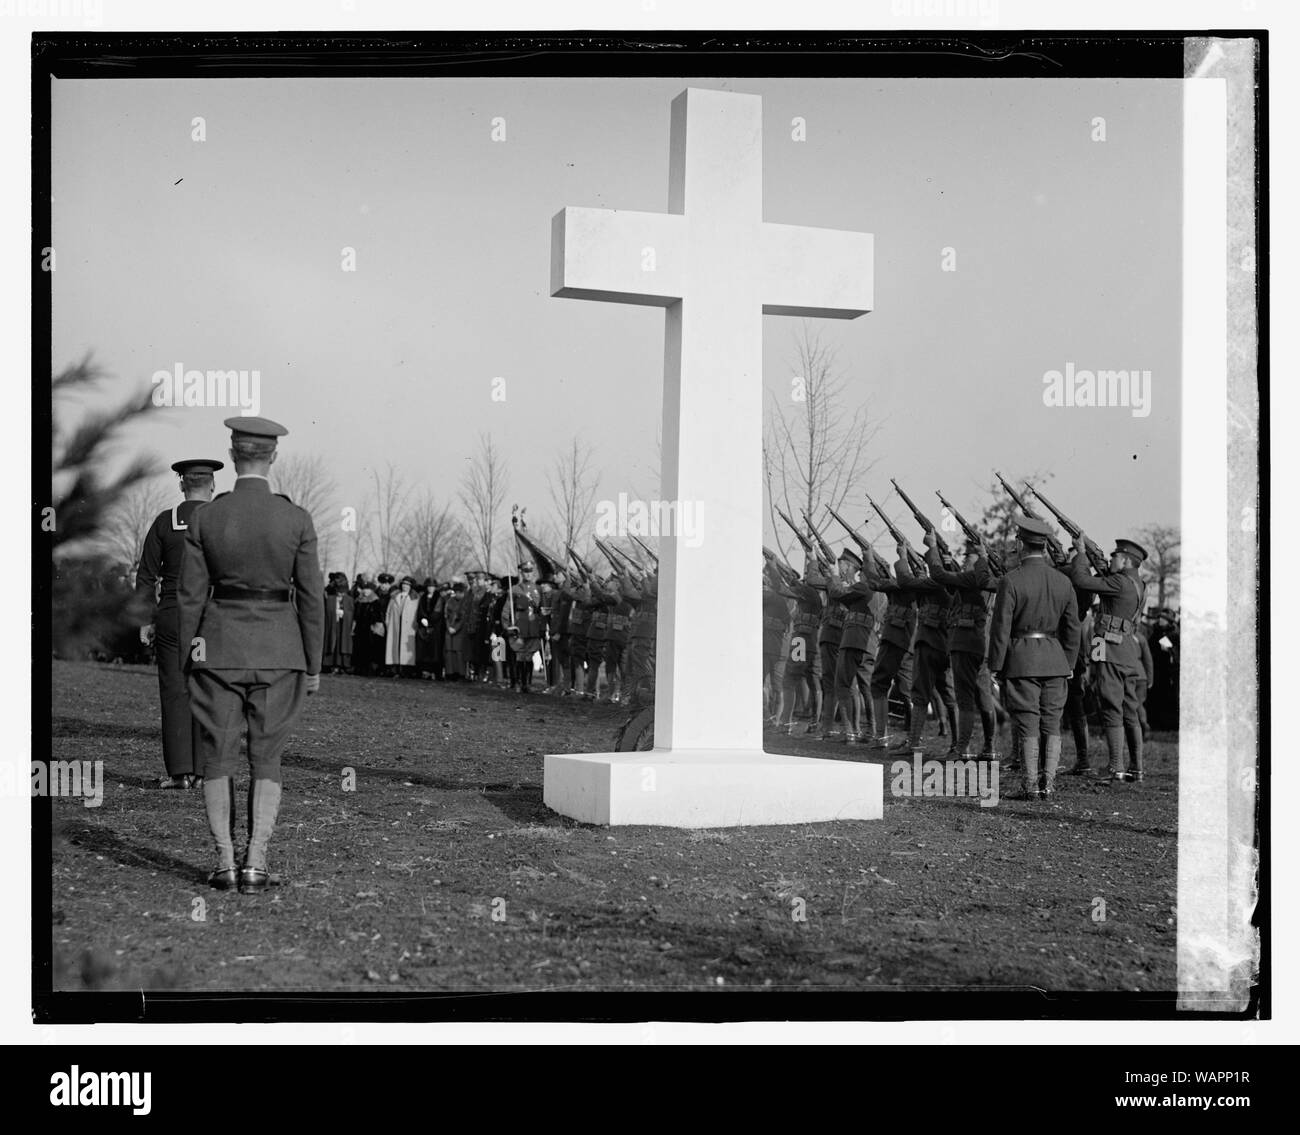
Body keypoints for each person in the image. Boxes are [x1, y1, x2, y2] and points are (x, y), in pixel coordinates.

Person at [177, 416, 323, 892]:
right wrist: (314, 663)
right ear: (273, 456)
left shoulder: (207, 516)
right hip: (282, 652)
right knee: (268, 757)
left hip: (218, 648)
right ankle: (256, 862)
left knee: (217, 756)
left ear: (233, 453)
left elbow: (190, 597)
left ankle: (223, 861)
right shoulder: (295, 518)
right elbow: (311, 598)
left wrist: (188, 656)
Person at [135, 457, 223, 788]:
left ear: (181, 484)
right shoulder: (224, 521)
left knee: (174, 690)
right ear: (212, 485)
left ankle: (180, 773)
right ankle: (204, 772)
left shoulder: (164, 521)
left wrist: (145, 619)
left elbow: (145, 575)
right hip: (212, 616)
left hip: (172, 614)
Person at [985, 515, 1081, 800]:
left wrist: (995, 665)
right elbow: (1072, 629)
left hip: (1022, 660)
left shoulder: (1011, 580)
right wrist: (1069, 663)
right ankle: (1048, 785)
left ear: (1020, 544)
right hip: (1055, 660)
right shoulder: (1064, 582)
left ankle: (1030, 785)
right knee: (1052, 722)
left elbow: (1000, 628)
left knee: (1027, 721)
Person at [1068, 534, 1150, 782]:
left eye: (1115, 557)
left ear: (1125, 561)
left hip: (1110, 651)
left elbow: (1081, 580)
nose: (1111, 559)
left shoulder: (1120, 583)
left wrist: (1081, 554)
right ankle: (1136, 767)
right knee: (1129, 709)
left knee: (1111, 707)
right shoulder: (1137, 584)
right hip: (1124, 651)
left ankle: (1116, 767)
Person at [923, 531, 1000, 759]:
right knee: (984, 698)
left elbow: (937, 575)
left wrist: (933, 547)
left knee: (964, 699)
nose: (965, 559)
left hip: (965, 644)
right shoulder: (992, 581)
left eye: (969, 556)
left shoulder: (972, 578)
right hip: (983, 647)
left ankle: (962, 749)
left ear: (981, 558)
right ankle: (989, 747)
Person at [897, 550, 959, 753]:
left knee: (921, 695)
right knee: (948, 697)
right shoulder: (953, 584)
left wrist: (904, 558)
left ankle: (915, 743)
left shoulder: (935, 583)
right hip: (944, 647)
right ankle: (957, 744)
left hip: (928, 645)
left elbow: (906, 581)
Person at [505, 560, 545, 692]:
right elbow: (507, 610)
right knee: (519, 655)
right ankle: (518, 682)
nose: (528, 574)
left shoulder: (538, 589)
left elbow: (542, 609)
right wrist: (508, 626)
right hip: (519, 627)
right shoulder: (515, 589)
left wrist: (543, 627)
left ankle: (528, 683)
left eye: (530, 571)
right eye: (525, 571)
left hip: (533, 626)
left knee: (529, 656)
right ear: (521, 573)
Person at [384, 575, 420, 677]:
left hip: (409, 627)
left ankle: (406, 669)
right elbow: (388, 611)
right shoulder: (394, 596)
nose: (405, 586)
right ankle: (394, 668)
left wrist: (416, 625)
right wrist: (387, 623)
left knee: (406, 648)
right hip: (395, 625)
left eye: (408, 584)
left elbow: (417, 612)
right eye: (404, 584)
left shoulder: (415, 598)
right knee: (394, 646)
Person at [322, 572, 354, 674]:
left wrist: (344, 613)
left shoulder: (349, 600)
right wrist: (334, 612)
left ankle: (342, 665)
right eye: (339, 593)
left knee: (342, 644)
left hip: (343, 626)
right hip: (333, 624)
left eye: (342, 593)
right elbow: (327, 611)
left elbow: (352, 613)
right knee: (333, 643)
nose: (340, 595)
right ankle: (331, 664)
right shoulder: (331, 599)